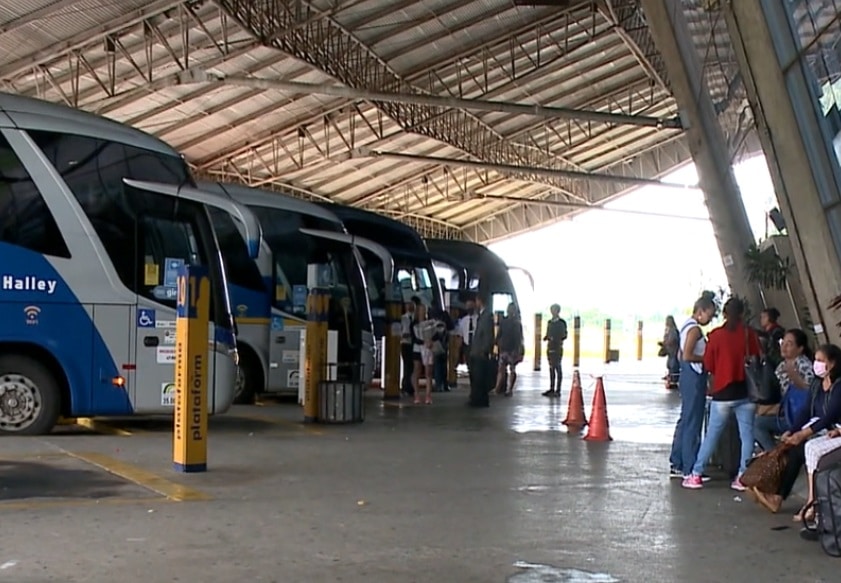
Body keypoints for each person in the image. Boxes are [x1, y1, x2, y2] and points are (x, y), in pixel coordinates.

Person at [749, 343, 841, 515]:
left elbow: (828, 416)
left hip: (831, 430)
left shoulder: (839, 386)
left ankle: (795, 500)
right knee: (792, 446)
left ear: (833, 364)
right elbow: (806, 410)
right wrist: (793, 430)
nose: (817, 364)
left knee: (799, 450)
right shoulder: (817, 383)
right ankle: (776, 495)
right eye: (816, 360)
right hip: (818, 429)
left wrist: (803, 434)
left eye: (821, 360)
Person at [682, 297, 761, 491]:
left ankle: (696, 475)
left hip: (723, 393)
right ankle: (742, 477)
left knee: (712, 435)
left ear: (724, 314)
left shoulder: (716, 335)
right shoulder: (748, 334)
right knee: (747, 435)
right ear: (742, 314)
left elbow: (708, 364)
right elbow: (758, 357)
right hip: (747, 392)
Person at [669, 291, 717, 480]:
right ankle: (690, 466)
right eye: (710, 315)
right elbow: (688, 355)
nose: (710, 319)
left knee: (686, 418)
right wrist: (706, 359)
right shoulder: (695, 329)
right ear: (700, 311)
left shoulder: (685, 326)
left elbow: (681, 355)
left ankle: (678, 461)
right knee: (693, 422)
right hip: (695, 376)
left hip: (688, 376)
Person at [753, 329, 814, 452]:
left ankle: (776, 456)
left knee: (758, 424)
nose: (784, 347)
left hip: (796, 415)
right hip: (783, 411)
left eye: (789, 344)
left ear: (800, 348)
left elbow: (811, 391)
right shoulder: (782, 366)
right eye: (783, 343)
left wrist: (795, 377)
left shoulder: (802, 364)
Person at [468, 293, 494, 408]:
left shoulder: (487, 316)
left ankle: (480, 400)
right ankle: (477, 399)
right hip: (476, 351)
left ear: (480, 301)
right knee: (477, 377)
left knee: (480, 377)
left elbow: (488, 335)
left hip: (480, 352)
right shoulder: (482, 315)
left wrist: (484, 349)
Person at [494, 303, 524, 396]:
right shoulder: (517, 323)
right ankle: (509, 389)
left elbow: (499, 334)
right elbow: (519, 338)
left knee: (501, 369)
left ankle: (498, 388)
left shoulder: (504, 321)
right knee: (512, 369)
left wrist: (496, 342)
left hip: (505, 348)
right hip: (512, 349)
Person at [542, 304, 568, 398]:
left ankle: (558, 390)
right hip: (550, 347)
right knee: (551, 368)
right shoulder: (550, 322)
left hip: (557, 348)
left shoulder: (562, 323)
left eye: (554, 310)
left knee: (557, 367)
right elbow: (548, 333)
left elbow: (564, 335)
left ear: (558, 311)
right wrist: (546, 337)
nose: (552, 312)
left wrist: (556, 338)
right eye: (551, 310)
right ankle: (552, 388)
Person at [413, 303, 436, 405]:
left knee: (428, 373)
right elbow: (414, 338)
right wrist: (423, 342)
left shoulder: (430, 323)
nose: (423, 313)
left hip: (428, 349)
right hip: (417, 348)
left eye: (425, 311)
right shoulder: (414, 324)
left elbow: (436, 334)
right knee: (417, 371)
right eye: (421, 311)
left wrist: (430, 341)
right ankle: (417, 394)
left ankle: (428, 396)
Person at [400, 296, 420, 396]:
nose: (410, 306)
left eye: (412, 304)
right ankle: (405, 387)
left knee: (413, 367)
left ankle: (410, 387)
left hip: (414, 344)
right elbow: (399, 332)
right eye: (408, 304)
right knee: (407, 366)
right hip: (405, 343)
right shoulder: (403, 318)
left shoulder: (417, 318)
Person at [662, 316, 680, 389]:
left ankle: (674, 380)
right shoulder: (668, 330)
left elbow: (674, 340)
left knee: (673, 365)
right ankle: (671, 377)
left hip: (673, 351)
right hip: (670, 351)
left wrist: (667, 343)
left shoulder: (673, 330)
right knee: (670, 364)